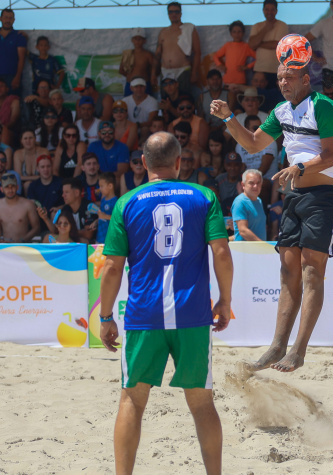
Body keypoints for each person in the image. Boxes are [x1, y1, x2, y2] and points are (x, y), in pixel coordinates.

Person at [97, 132, 233, 475]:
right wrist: (225, 300)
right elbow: (221, 253)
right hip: (192, 314)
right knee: (202, 404)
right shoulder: (204, 196)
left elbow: (112, 268)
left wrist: (106, 315)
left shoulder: (126, 202)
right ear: (178, 162)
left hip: (145, 315)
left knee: (131, 400)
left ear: (142, 163)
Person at [211, 53, 333, 373]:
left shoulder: (324, 105)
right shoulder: (280, 111)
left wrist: (298, 165)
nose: (283, 82)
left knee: (312, 270)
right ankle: (276, 347)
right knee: (287, 273)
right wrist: (230, 118)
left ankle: (298, 350)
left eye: (289, 77)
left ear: (305, 79)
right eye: (279, 78)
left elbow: (330, 155)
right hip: (295, 194)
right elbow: (255, 144)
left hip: (325, 193)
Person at [153, 3, 201, 96]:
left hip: (183, 70)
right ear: (168, 14)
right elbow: (157, 55)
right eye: (171, 12)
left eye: (176, 11)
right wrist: (153, 74)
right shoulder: (163, 32)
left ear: (180, 13)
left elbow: (197, 52)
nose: (173, 14)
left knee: (184, 100)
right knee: (166, 101)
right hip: (165, 71)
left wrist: (194, 73)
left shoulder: (189, 29)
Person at [248, 0, 289, 89]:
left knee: (275, 100)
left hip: (276, 70)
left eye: (272, 9)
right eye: (267, 9)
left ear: (276, 11)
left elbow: (277, 45)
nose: (269, 12)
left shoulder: (282, 25)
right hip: (259, 69)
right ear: (263, 10)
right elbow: (251, 45)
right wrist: (266, 28)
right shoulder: (257, 26)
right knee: (258, 99)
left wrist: (258, 44)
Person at [212, 20, 256, 86]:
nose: (237, 34)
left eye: (239, 32)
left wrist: (247, 67)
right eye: (234, 32)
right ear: (231, 33)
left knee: (239, 96)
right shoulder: (227, 45)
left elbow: (258, 59)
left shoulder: (246, 46)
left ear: (243, 33)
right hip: (227, 79)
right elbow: (215, 56)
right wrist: (220, 65)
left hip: (240, 80)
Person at [0, 172, 40, 243]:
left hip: (22, 247)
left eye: (13, 186)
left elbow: (36, 228)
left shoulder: (28, 204)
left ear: (17, 187)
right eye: (7, 187)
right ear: (1, 189)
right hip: (5, 248)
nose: (10, 190)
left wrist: (22, 240)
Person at [231, 169, 267, 242]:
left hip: (258, 250)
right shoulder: (240, 202)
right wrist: (263, 245)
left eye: (258, 183)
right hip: (244, 251)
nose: (255, 186)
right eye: (251, 183)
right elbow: (243, 231)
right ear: (243, 185)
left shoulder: (259, 201)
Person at [118, 28, 154, 95]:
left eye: (140, 39)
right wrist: (131, 76)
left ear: (144, 41)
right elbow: (121, 70)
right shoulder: (127, 54)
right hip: (130, 84)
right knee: (128, 104)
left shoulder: (148, 55)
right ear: (132, 40)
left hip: (144, 84)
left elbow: (154, 70)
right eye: (135, 39)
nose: (137, 41)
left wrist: (147, 77)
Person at [0, 9, 27, 94]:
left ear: (14, 20)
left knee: (13, 103)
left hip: (12, 76)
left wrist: (17, 77)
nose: (8, 20)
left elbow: (22, 59)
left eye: (10, 18)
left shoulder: (19, 36)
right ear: (1, 18)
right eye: (6, 17)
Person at [94, 172, 118, 245]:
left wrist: (105, 216)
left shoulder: (116, 201)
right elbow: (101, 216)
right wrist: (96, 222)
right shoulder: (103, 200)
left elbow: (118, 218)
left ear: (110, 186)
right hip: (100, 237)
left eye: (102, 186)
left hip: (110, 240)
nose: (99, 189)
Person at [0, 78, 20, 146]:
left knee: (4, 129)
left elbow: (13, 121)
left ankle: (3, 154)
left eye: (2, 86)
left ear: (7, 89)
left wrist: (2, 127)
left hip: (9, 131)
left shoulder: (13, 101)